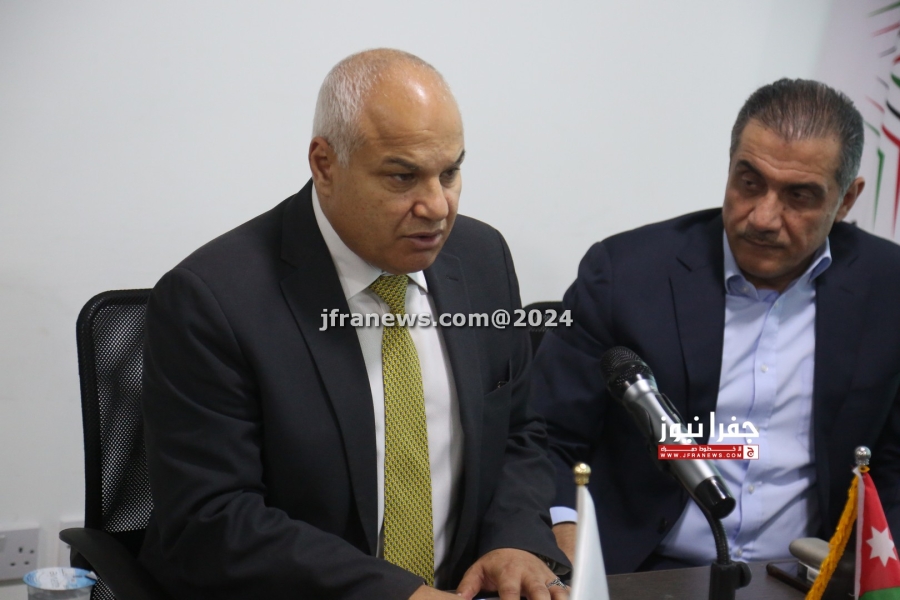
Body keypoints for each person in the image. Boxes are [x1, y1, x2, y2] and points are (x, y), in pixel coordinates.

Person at [138, 49, 569, 600]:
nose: (437, 207)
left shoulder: (481, 259)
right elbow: (214, 519)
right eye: (402, 176)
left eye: (450, 172)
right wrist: (398, 595)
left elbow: (518, 432)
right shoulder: (213, 301)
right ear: (324, 164)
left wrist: (515, 540)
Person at [532, 78, 900, 574]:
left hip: (806, 576)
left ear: (847, 200)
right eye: (749, 182)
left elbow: (893, 464)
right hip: (643, 571)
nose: (764, 217)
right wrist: (564, 532)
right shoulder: (626, 275)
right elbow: (545, 435)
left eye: (799, 196)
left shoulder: (888, 289)